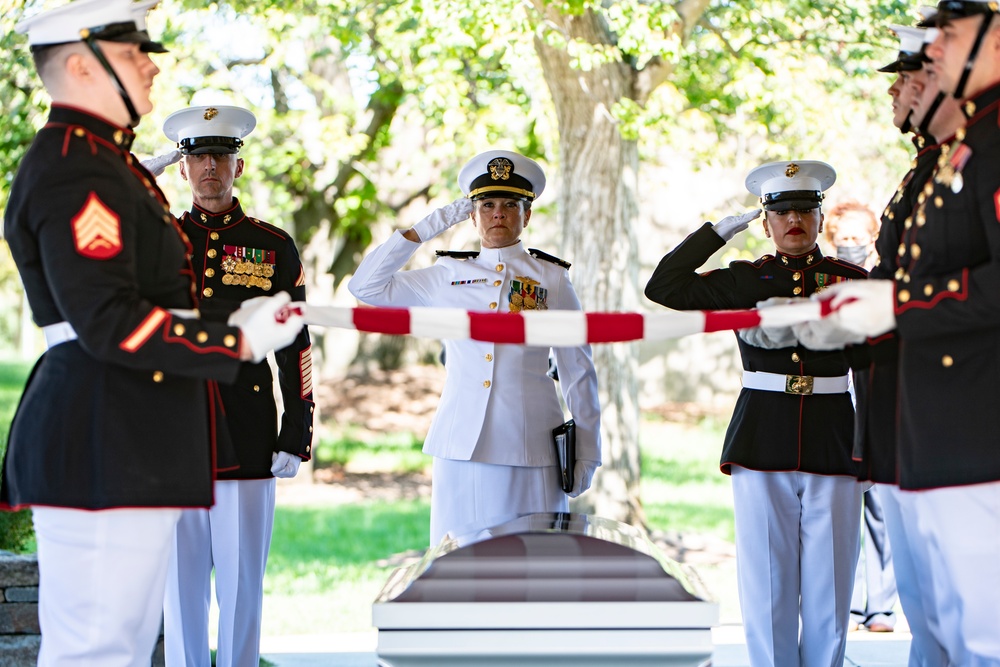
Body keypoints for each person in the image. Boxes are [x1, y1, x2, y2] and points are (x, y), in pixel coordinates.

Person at [0, 2, 305, 666]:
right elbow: (108, 319)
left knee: (122, 648)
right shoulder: (80, 168)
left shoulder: (104, 162)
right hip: (103, 431)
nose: (148, 63)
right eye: (132, 51)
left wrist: (239, 323)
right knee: (98, 651)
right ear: (80, 66)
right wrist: (237, 341)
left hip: (122, 430)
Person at [818, 1, 1000, 662]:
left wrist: (894, 304)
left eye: (945, 39)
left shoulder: (990, 144)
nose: (914, 78)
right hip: (931, 423)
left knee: (980, 634)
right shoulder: (953, 157)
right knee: (946, 629)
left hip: (975, 424)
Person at [644, 161, 866, 667]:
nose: (793, 221)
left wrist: (872, 439)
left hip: (835, 432)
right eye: (781, 211)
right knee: (767, 576)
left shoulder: (849, 279)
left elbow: (877, 361)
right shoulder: (749, 279)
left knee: (831, 580)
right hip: (762, 433)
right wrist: (719, 230)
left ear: (819, 217)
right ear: (765, 221)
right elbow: (665, 287)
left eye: (804, 211)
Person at [348, 150, 601, 545]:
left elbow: (577, 368)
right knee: (457, 562)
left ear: (527, 214)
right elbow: (365, 287)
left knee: (532, 561)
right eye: (486, 205)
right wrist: (430, 225)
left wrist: (587, 447)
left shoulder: (550, 278)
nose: (497, 213)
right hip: (460, 444)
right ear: (471, 214)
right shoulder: (448, 274)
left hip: (530, 445)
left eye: (509, 205)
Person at [155, 105, 315, 667]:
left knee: (243, 587)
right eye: (197, 156)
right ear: (181, 168)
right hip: (172, 434)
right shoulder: (159, 241)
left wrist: (297, 432)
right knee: (180, 591)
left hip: (247, 433)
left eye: (220, 156)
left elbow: (297, 343)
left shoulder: (272, 246)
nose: (209, 168)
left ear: (238, 167)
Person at [822, 200, 899, 635]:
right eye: (843, 238)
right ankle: (849, 604)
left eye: (858, 237)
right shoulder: (829, 284)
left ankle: (882, 606)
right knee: (843, 510)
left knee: (881, 512)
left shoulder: (885, 283)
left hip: (877, 405)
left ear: (873, 237)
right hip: (837, 408)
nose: (851, 245)